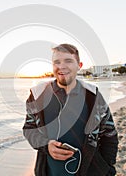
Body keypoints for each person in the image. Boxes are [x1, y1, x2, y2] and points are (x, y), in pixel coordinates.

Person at [22, 43, 118, 176]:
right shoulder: (38, 95)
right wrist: (46, 146)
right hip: (49, 171)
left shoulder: (93, 96)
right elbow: (29, 129)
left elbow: (109, 135)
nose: (61, 66)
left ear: (79, 65)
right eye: (57, 62)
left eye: (68, 61)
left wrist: (108, 168)